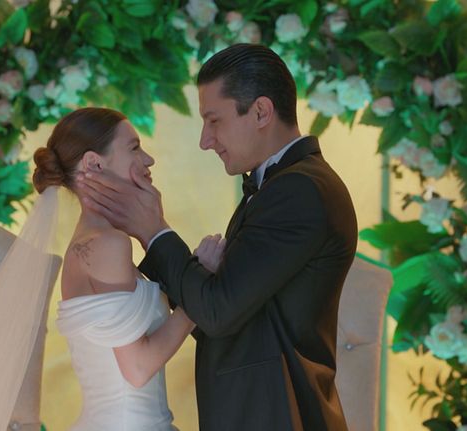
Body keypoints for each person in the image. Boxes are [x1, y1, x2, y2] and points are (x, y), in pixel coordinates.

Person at [78, 44, 358, 430]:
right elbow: (226, 310)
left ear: (261, 112)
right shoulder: (278, 186)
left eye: (214, 121)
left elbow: (217, 312)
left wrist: (153, 231)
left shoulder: (300, 190)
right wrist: (168, 250)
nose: (205, 140)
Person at [35, 107, 195, 430]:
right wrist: (200, 292)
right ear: (94, 164)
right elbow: (137, 369)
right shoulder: (107, 245)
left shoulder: (95, 242)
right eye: (134, 148)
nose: (149, 160)